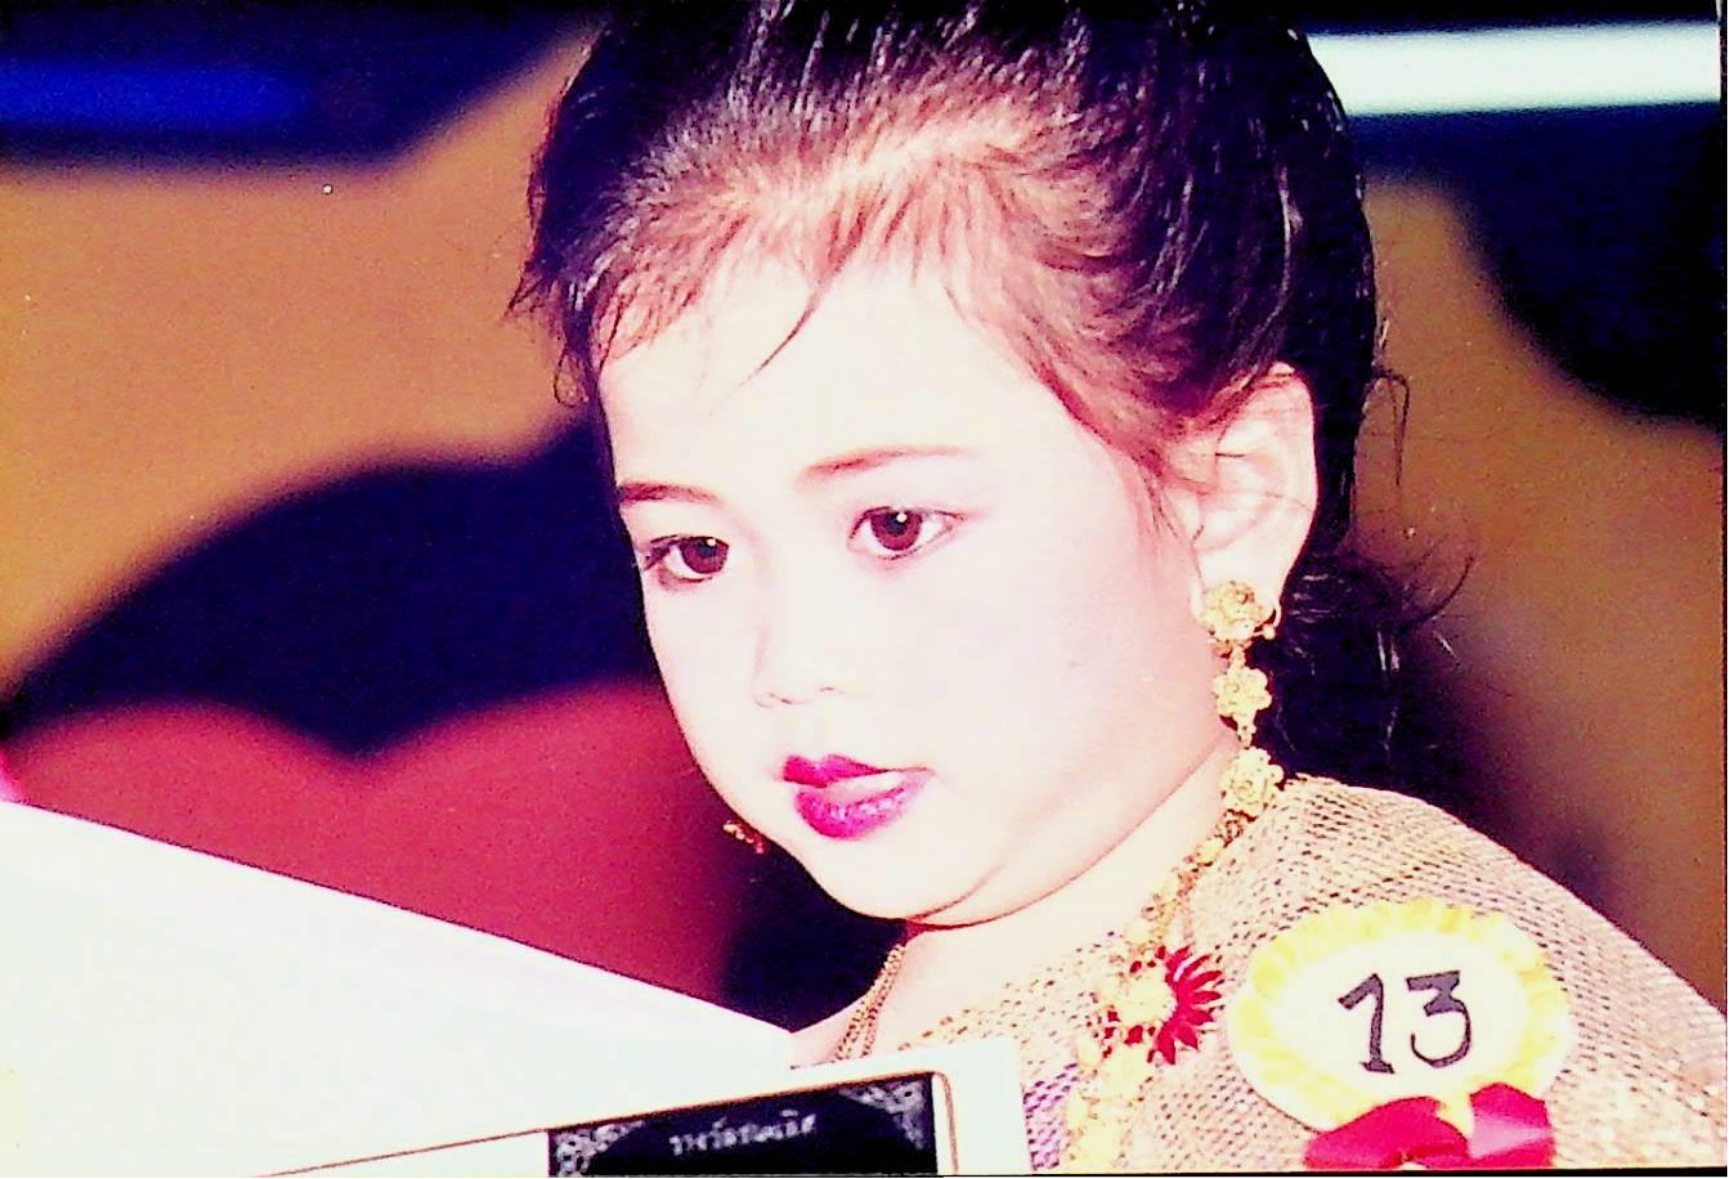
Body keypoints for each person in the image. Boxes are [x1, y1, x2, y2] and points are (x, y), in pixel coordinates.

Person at [515, 1, 1726, 1169]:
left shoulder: (1445, 1049)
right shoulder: (724, 1106)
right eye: (695, 551)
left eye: (894, 525)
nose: (786, 664)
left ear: (1229, 496)